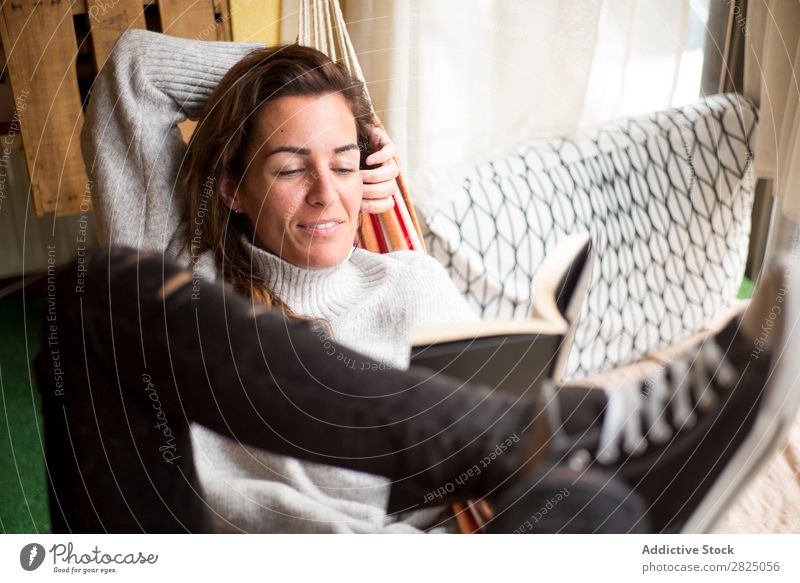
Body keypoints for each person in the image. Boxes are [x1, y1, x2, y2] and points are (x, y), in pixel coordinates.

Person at [67, 28, 787, 534]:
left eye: (345, 162)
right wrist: (303, 83)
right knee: (102, 285)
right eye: (290, 167)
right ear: (232, 187)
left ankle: (644, 464)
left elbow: (475, 486)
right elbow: (136, 68)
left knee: (602, 513)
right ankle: (599, 423)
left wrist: (338, 110)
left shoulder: (409, 285)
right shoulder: (179, 264)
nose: (328, 194)